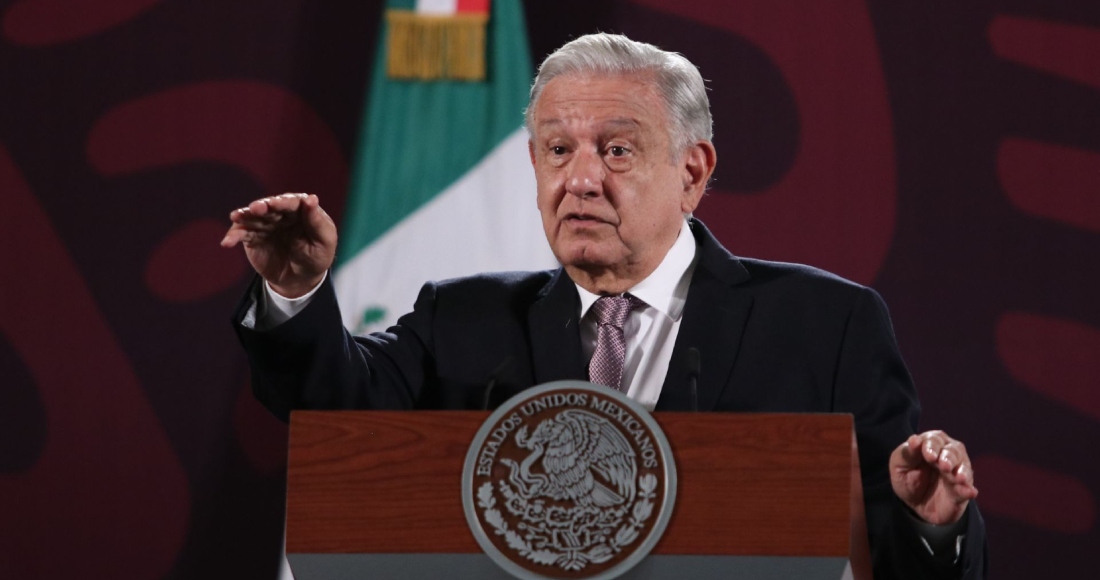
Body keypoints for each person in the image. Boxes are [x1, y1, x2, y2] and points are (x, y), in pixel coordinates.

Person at [223, 33, 986, 579]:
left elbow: (900, 552)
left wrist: (933, 521)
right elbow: (333, 407)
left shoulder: (826, 324)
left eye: (616, 150)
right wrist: (296, 290)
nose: (580, 179)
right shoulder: (464, 321)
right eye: (557, 150)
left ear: (692, 171)